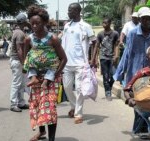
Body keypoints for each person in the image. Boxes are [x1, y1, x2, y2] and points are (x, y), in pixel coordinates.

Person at [113, 7, 150, 136]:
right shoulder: (133, 33)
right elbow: (128, 54)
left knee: (149, 99)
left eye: (149, 19)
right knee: (138, 100)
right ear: (140, 20)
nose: (146, 21)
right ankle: (141, 128)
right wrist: (120, 72)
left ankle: (142, 128)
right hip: (135, 71)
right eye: (144, 19)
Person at [24, 5, 67, 141]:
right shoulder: (28, 39)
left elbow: (64, 59)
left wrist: (54, 75)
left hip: (50, 77)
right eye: (32, 23)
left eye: (38, 23)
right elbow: (27, 57)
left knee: (49, 108)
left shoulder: (52, 38)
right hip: (36, 77)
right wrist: (32, 68)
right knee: (37, 105)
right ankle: (41, 132)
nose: (35, 26)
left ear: (44, 23)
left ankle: (51, 138)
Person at [61, 2, 96, 124]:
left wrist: (93, 59)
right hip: (67, 63)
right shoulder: (66, 26)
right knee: (67, 87)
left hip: (81, 63)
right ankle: (74, 106)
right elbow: (62, 43)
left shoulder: (85, 26)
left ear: (77, 11)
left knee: (80, 89)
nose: (68, 12)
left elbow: (95, 42)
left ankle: (78, 114)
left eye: (70, 10)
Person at [91, 17, 119, 100]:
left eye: (106, 23)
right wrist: (93, 59)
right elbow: (96, 46)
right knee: (106, 76)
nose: (104, 25)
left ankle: (109, 87)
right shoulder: (100, 34)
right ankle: (108, 93)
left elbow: (116, 45)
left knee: (114, 75)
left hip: (112, 57)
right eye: (103, 23)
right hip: (103, 57)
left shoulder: (115, 34)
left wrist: (116, 55)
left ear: (110, 23)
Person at [9, 13, 29, 112]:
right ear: (24, 22)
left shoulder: (17, 31)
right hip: (17, 61)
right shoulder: (20, 33)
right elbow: (19, 49)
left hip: (17, 60)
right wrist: (24, 63)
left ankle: (21, 102)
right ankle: (13, 104)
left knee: (21, 83)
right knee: (16, 83)